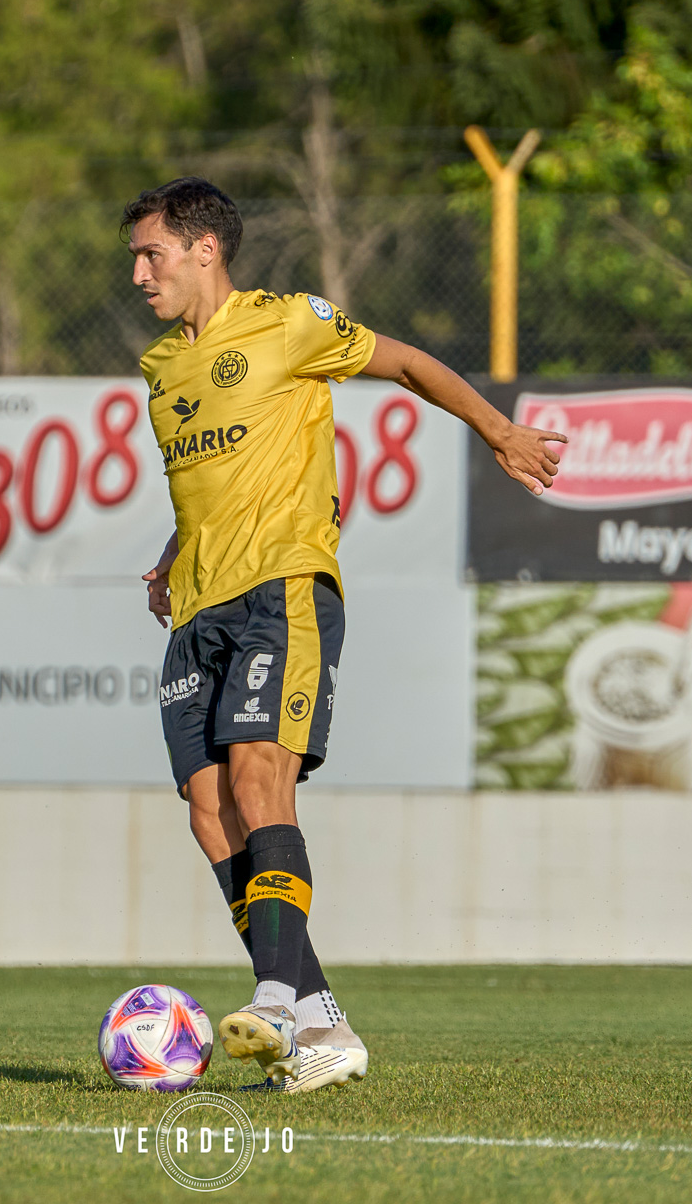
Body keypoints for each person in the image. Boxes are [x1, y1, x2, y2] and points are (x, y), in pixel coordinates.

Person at [124, 177, 565, 1091]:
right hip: (198, 604)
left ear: (206, 250)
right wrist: (172, 556)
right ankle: (326, 1027)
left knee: (259, 778)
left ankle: (278, 998)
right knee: (210, 813)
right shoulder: (161, 367)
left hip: (280, 589)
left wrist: (494, 429)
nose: (138, 272)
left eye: (151, 253)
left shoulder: (288, 324)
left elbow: (405, 364)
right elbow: (213, 477)